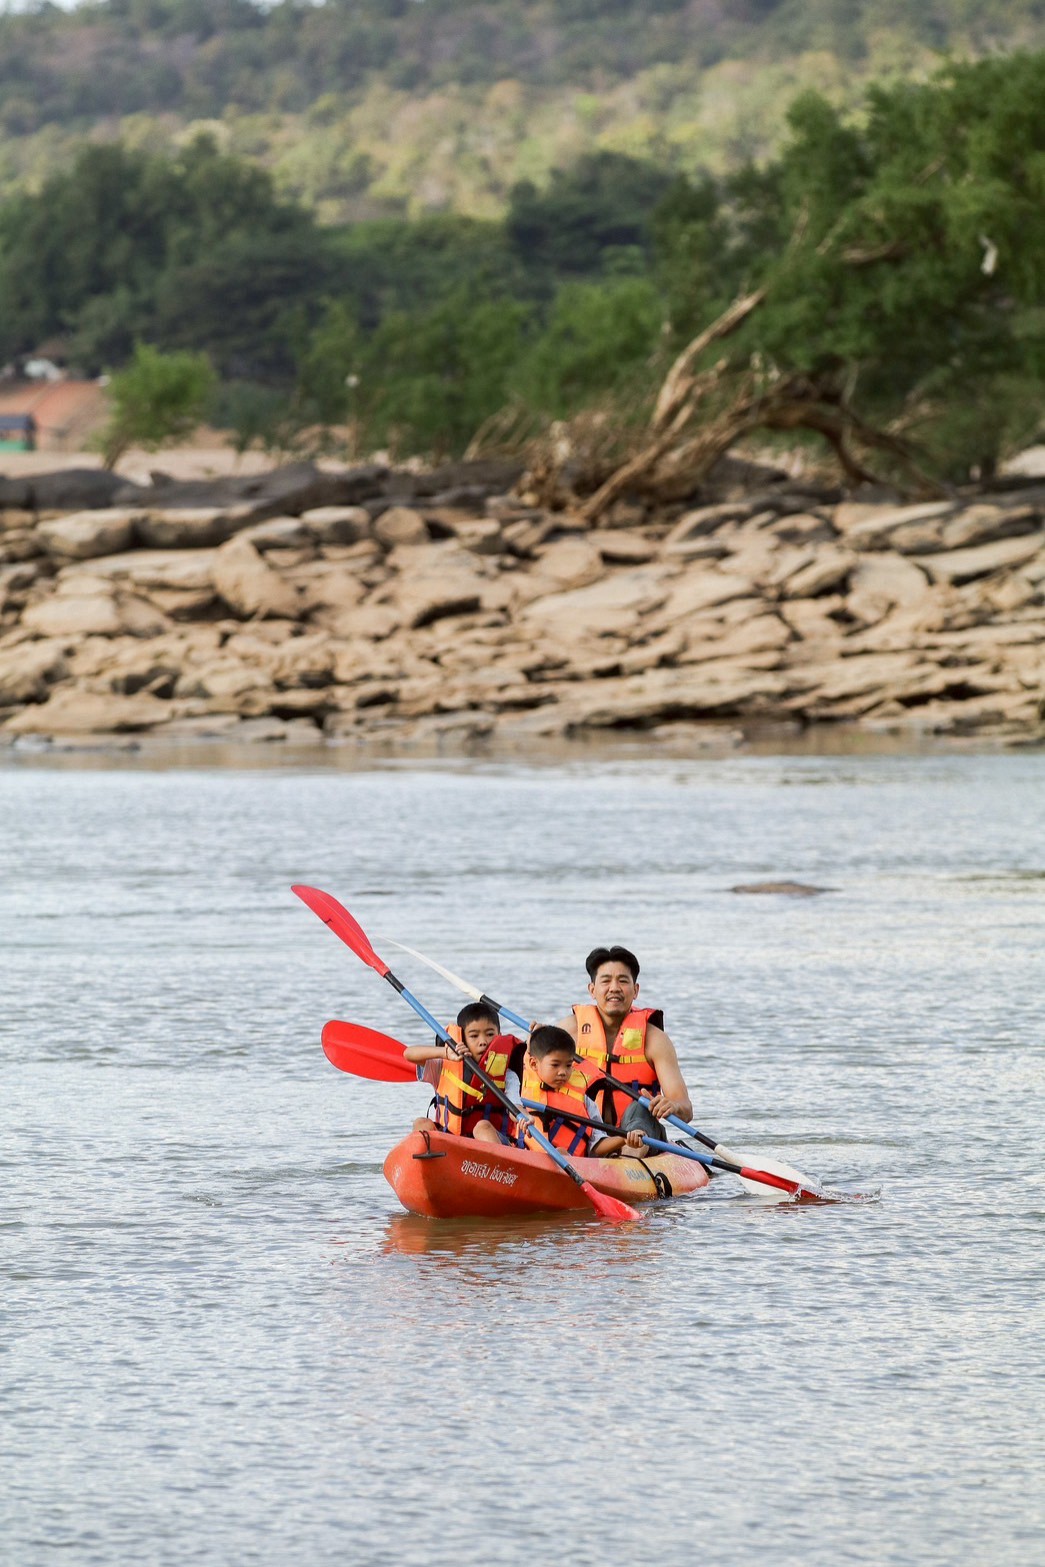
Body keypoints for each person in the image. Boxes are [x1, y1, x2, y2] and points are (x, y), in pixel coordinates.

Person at [555, 945, 693, 1144]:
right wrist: (538, 1039)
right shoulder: (567, 1032)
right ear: (592, 990)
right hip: (586, 1135)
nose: (614, 988)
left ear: (635, 990)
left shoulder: (656, 1040)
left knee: (640, 1107)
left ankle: (629, 1156)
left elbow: (686, 1110)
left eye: (622, 981)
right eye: (606, 981)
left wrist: (672, 1106)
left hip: (639, 1135)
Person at [510, 1024, 646, 1159]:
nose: (563, 1072)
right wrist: (534, 1035)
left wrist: (624, 1138)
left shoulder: (585, 1101)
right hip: (524, 1158)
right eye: (555, 1065)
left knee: (560, 1153)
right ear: (534, 1064)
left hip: (571, 1163)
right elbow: (512, 1107)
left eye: (568, 1065)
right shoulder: (519, 1085)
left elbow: (597, 1146)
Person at [404, 1001, 522, 1145]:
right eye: (474, 1036)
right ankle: (426, 1161)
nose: (483, 1042)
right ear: (463, 1039)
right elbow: (409, 1054)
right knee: (421, 1123)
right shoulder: (443, 1067)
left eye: (490, 1034)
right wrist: (445, 1053)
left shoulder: (508, 1075)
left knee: (482, 1127)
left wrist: (524, 1117)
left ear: (499, 1035)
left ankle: (495, 1165)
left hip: (493, 1144)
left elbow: (516, 1107)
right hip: (452, 1143)